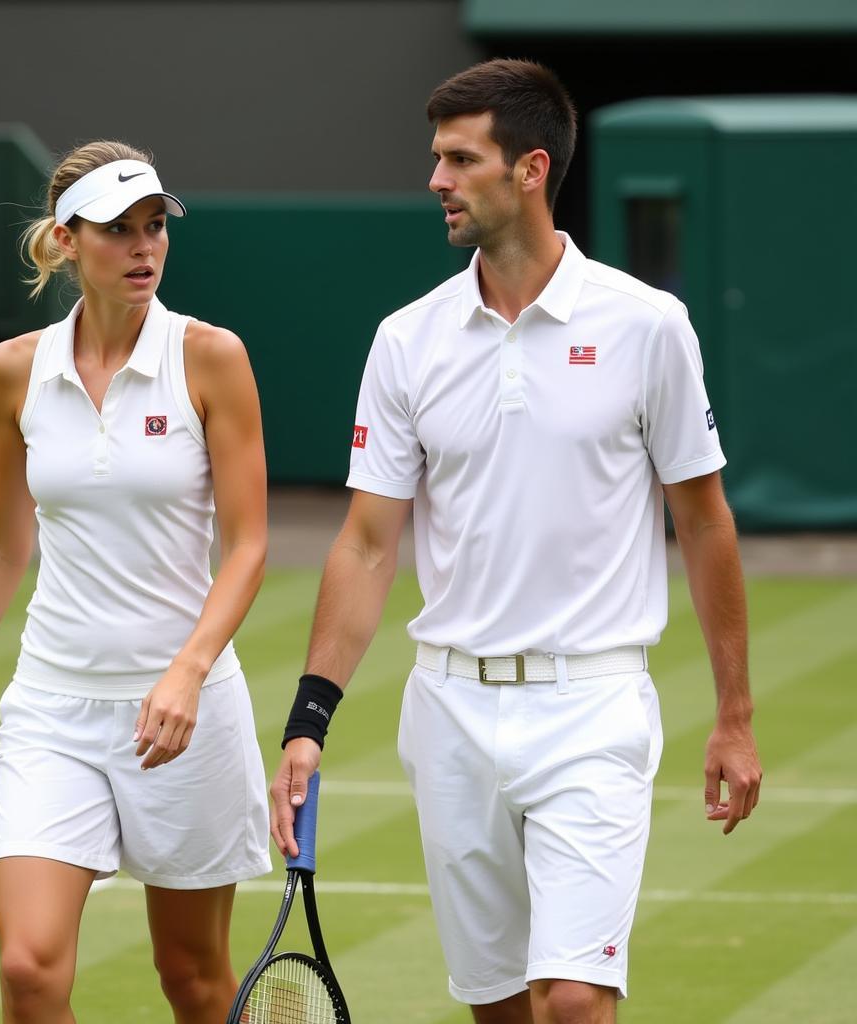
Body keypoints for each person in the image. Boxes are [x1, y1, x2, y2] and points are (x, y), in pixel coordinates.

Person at [270, 59, 762, 1024]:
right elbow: (369, 545)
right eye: (436, 157)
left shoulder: (649, 325)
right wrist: (308, 719)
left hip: (593, 708)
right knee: (499, 1008)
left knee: (572, 1001)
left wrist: (734, 713)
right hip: (448, 714)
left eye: (461, 159)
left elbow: (703, 519)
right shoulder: (405, 340)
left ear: (530, 170)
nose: (437, 181)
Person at [0, 140, 271, 1024]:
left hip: (186, 714)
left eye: (154, 228)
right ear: (66, 242)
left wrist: (187, 670)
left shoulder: (212, 357)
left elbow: (251, 544)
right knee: (29, 972)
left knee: (193, 978)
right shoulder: (13, 370)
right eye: (117, 231)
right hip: (52, 712)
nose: (144, 249)